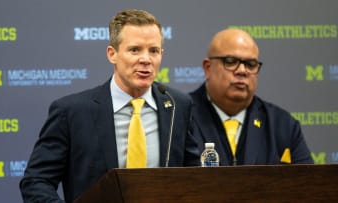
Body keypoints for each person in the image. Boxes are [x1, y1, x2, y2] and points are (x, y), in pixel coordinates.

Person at [20, 9, 200, 203]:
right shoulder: (71, 112)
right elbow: (36, 181)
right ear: (112, 54)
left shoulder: (177, 106)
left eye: (153, 51)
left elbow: (195, 178)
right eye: (135, 50)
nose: (146, 59)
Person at [190, 28, 313, 166]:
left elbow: (308, 184)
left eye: (251, 64)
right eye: (230, 61)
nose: (242, 71)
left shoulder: (282, 125)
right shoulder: (180, 118)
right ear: (208, 68)